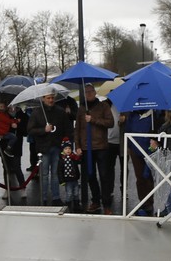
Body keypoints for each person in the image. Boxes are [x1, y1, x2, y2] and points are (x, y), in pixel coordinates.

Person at [29, 93, 73, 206]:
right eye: (48, 98)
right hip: (43, 148)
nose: (50, 100)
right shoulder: (37, 112)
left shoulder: (60, 111)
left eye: (52, 98)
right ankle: (43, 197)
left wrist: (67, 143)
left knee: (55, 174)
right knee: (44, 175)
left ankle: (56, 197)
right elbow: (30, 130)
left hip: (57, 147)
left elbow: (67, 128)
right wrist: (43, 130)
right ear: (43, 98)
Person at [79, 83, 116, 214]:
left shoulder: (103, 106)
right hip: (86, 148)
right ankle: (95, 201)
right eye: (86, 92)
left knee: (104, 175)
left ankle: (107, 204)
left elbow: (110, 123)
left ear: (95, 93)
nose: (89, 94)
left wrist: (93, 119)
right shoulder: (81, 108)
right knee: (90, 176)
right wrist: (77, 145)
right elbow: (78, 128)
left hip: (101, 146)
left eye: (91, 91)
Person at [57, 136, 83, 212]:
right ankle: (68, 206)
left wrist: (79, 156)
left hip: (74, 179)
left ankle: (77, 205)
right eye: (66, 149)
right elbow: (59, 171)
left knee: (76, 193)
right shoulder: (61, 160)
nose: (68, 150)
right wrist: (61, 181)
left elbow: (79, 162)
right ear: (62, 150)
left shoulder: (73, 158)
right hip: (67, 180)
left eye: (69, 148)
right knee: (69, 193)